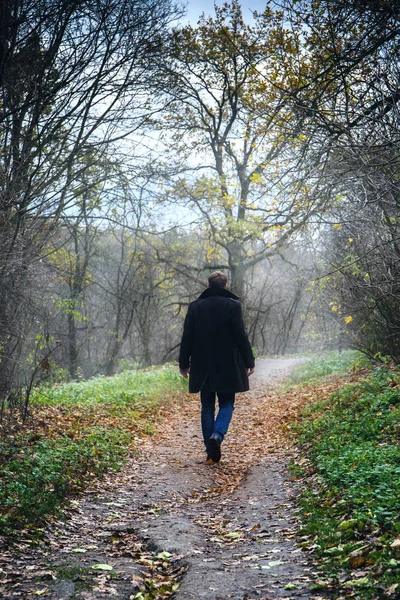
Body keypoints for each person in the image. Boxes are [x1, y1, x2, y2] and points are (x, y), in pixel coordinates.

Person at [179, 271, 255, 463]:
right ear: (225, 286)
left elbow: (187, 336)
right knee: (227, 403)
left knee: (206, 407)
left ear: (208, 285)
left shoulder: (195, 307)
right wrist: (249, 361)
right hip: (228, 364)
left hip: (202, 364)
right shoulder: (233, 306)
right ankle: (217, 436)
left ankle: (210, 450)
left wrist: (183, 364)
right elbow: (240, 335)